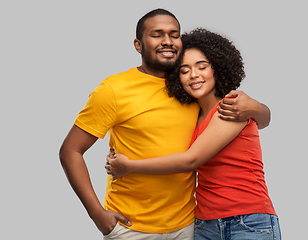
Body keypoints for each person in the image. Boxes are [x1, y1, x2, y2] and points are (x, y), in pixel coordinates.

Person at [59, 9, 271, 239]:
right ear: (138, 45)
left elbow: (195, 158)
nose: (167, 41)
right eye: (157, 34)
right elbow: (71, 151)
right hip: (132, 225)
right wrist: (97, 214)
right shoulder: (114, 90)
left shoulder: (196, 97)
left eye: (174, 34)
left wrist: (257, 108)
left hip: (191, 225)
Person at [106, 28, 281, 240]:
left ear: (217, 68)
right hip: (205, 223)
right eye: (184, 70)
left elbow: (191, 160)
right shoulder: (195, 115)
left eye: (202, 66)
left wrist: (129, 167)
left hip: (247, 220)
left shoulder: (231, 106)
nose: (194, 75)